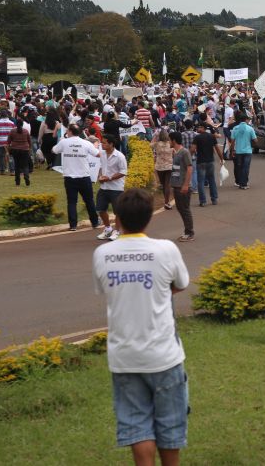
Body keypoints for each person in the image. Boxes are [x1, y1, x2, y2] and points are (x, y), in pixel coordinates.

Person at [92, 188, 190, 466]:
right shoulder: (166, 249)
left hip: (124, 357)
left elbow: (106, 290)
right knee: (170, 425)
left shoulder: (102, 254)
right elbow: (180, 284)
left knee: (137, 427)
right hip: (164, 355)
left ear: (118, 219)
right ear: (149, 219)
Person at [52, 123, 101, 231]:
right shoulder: (86, 143)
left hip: (70, 177)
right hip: (84, 176)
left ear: (69, 131)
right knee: (89, 201)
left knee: (72, 202)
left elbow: (54, 150)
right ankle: (95, 222)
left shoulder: (64, 142)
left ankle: (73, 225)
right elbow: (98, 154)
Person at [95, 134, 128, 241]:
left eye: (104, 143)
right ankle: (108, 229)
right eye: (102, 142)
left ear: (111, 144)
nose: (102, 144)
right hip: (104, 187)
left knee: (117, 211)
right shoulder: (102, 154)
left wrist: (108, 178)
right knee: (100, 209)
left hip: (116, 188)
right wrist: (100, 176)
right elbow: (100, 167)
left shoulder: (120, 156)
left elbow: (123, 172)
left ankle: (117, 231)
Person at [190, 122, 224, 207]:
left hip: (200, 161)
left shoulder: (197, 138)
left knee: (200, 181)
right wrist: (221, 158)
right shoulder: (211, 137)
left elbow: (192, 149)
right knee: (211, 180)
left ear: (203, 128)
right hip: (210, 161)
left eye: (199, 127)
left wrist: (192, 154)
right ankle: (214, 199)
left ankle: (203, 201)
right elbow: (217, 149)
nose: (197, 129)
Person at [169, 131, 194, 242]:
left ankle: (189, 232)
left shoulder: (184, 152)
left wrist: (186, 185)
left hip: (182, 186)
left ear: (174, 140)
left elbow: (189, 168)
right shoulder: (176, 152)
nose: (168, 142)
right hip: (177, 185)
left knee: (184, 209)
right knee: (181, 208)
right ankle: (187, 231)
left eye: (169, 140)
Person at [229, 113, 256, 190]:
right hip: (248, 151)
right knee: (246, 167)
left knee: (240, 167)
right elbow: (255, 140)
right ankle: (244, 183)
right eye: (248, 120)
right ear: (246, 120)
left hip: (238, 151)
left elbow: (232, 141)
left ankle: (241, 183)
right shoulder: (250, 128)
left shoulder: (235, 128)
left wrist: (232, 151)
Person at [152, 129, 174, 210]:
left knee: (163, 184)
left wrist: (155, 135)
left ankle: (166, 201)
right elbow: (174, 152)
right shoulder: (170, 144)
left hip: (159, 167)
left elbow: (149, 145)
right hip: (169, 166)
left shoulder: (157, 144)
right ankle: (167, 202)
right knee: (167, 184)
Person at [7, 117, 32, 186]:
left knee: (17, 165)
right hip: (25, 149)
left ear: (16, 124)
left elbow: (8, 142)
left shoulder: (12, 131)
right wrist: (29, 149)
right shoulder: (26, 131)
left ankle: (17, 181)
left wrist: (8, 150)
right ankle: (26, 176)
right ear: (22, 124)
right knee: (25, 165)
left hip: (15, 150)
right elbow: (29, 141)